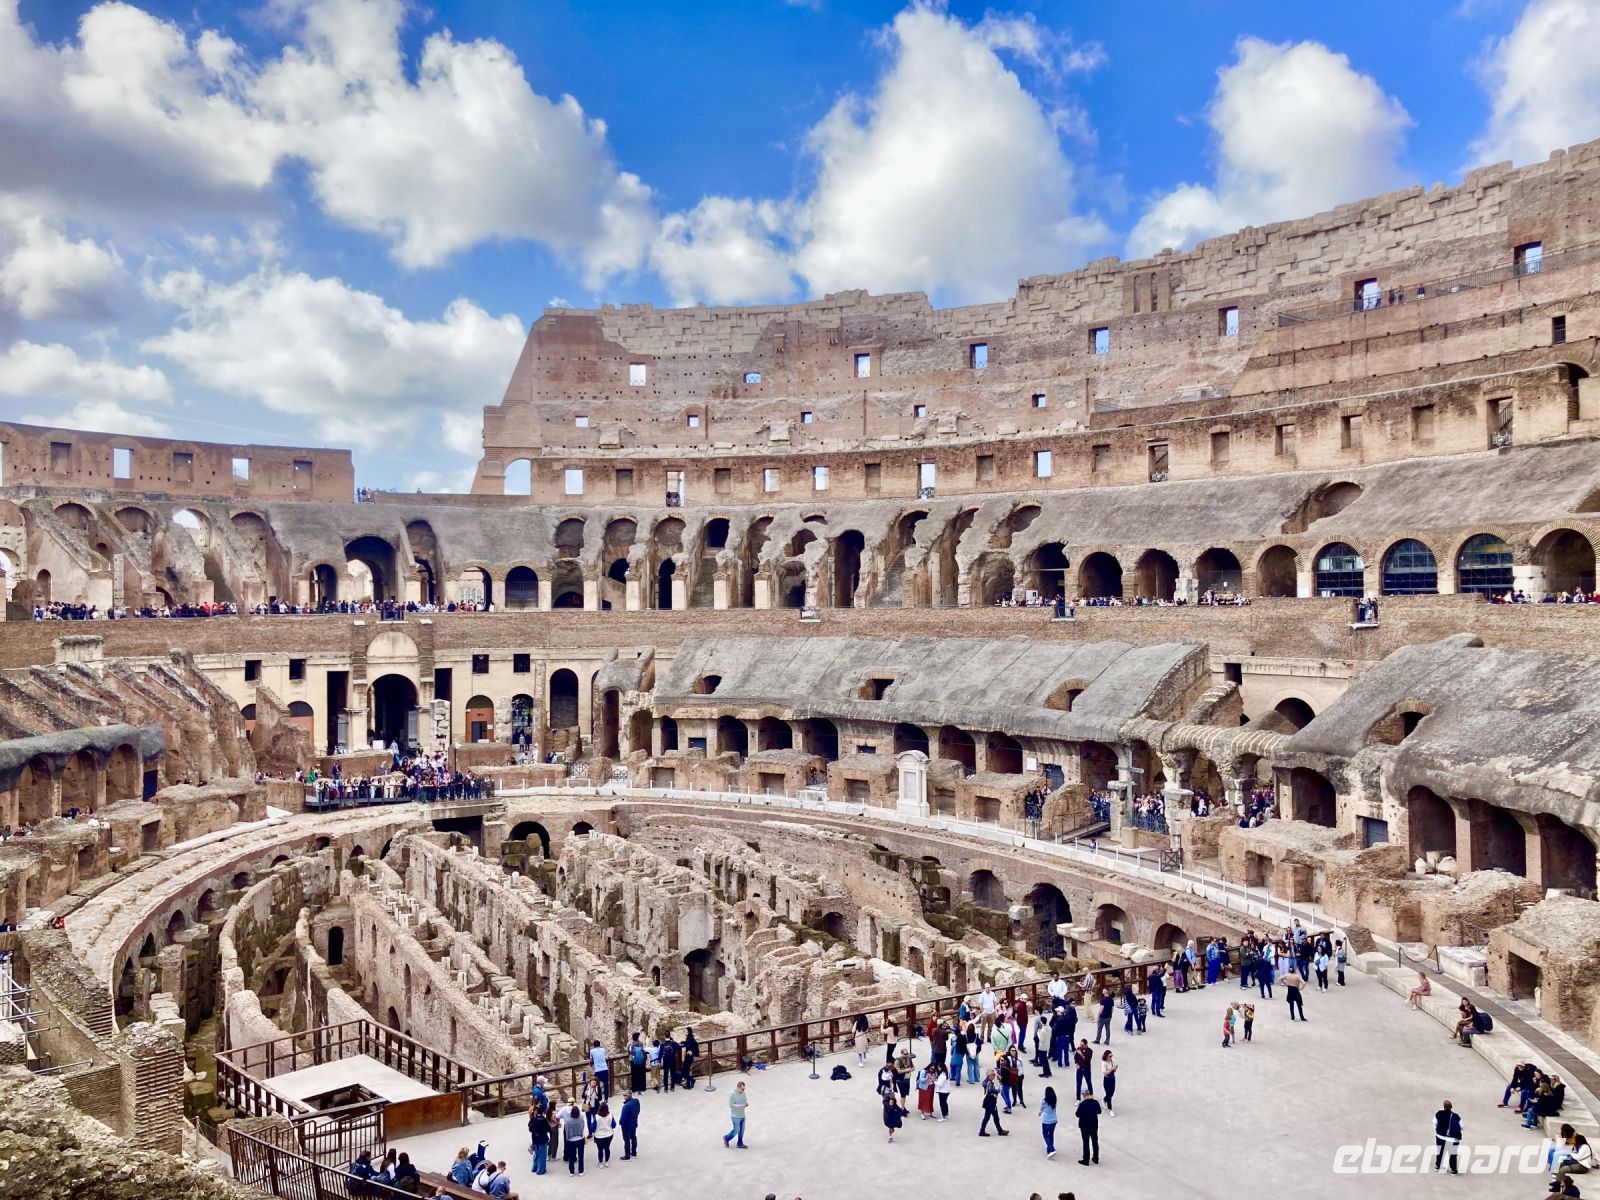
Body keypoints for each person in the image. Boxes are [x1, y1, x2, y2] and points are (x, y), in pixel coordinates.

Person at [1433, 1100, 1462, 1174]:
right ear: (1451, 1107)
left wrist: (1437, 1132)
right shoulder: (1456, 1116)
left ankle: (1437, 1166)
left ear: (1444, 1106)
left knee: (1440, 1152)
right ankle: (1453, 1170)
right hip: (1453, 1139)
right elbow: (1462, 1126)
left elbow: (1434, 1124)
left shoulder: (1439, 1113)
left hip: (1440, 1137)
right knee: (1452, 1154)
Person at [1075, 1092, 1102, 1165]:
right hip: (1094, 1125)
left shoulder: (1082, 1104)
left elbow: (1077, 1114)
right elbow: (1099, 1111)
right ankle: (1096, 1158)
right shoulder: (1095, 1102)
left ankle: (1086, 1159)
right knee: (1095, 1141)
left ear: (1084, 1095)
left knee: (1086, 1142)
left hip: (1084, 1126)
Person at [979, 1070, 1008, 1136]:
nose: (994, 1076)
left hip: (990, 1102)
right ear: (989, 1075)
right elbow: (990, 1090)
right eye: (993, 1075)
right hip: (990, 1102)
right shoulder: (989, 1082)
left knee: (995, 1117)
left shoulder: (986, 1081)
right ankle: (982, 1131)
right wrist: (997, 1090)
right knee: (988, 1117)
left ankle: (999, 1130)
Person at [562, 1102, 587, 1175]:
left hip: (571, 1140)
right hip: (580, 1138)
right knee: (581, 1156)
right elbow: (583, 1127)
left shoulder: (568, 1121)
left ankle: (571, 1171)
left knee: (571, 1156)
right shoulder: (581, 1119)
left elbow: (566, 1131)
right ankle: (581, 1171)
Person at [723, 1080, 749, 1148]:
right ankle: (726, 1138)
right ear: (738, 1087)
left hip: (742, 1115)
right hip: (735, 1116)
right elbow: (731, 1105)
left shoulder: (743, 1093)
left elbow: (745, 1099)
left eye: (744, 1089)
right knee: (736, 1130)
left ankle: (740, 1143)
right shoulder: (733, 1095)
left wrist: (746, 1103)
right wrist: (741, 1106)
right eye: (742, 1089)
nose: (743, 1090)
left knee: (742, 1130)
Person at [590, 1101, 616, 1167]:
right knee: (607, 1148)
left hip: (599, 1136)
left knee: (600, 1149)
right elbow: (614, 1125)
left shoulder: (596, 1117)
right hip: (608, 1135)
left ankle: (600, 1163)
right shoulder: (610, 1116)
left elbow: (593, 1128)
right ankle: (606, 1162)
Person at [619, 1090, 640, 1160]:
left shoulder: (626, 1106)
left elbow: (623, 1118)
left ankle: (627, 1156)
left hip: (627, 1126)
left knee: (626, 1140)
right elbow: (638, 1111)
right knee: (633, 1137)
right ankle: (634, 1153)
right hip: (634, 1123)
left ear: (628, 1096)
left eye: (624, 1095)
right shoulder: (636, 1101)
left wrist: (621, 1122)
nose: (623, 1097)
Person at [529, 1105, 550, 1175]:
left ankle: (534, 1168)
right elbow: (548, 1129)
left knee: (536, 1154)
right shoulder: (543, 1120)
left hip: (535, 1139)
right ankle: (540, 1170)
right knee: (542, 1155)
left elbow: (530, 1129)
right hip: (542, 1139)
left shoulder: (534, 1119)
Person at [1040, 1086, 1059, 1159]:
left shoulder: (1044, 1101)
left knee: (1045, 1134)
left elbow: (1041, 1109)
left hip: (1046, 1121)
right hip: (1054, 1120)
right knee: (1051, 1134)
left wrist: (1040, 1113)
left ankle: (1052, 1149)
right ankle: (1049, 1151)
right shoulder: (1054, 1100)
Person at [1101, 1051, 1117, 1116]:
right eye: (1110, 1056)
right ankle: (1110, 1109)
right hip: (1107, 1080)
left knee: (1112, 1092)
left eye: (1111, 1056)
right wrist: (1111, 1069)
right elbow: (1105, 1073)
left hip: (1112, 1079)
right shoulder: (1104, 1063)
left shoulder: (1112, 1061)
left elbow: (1114, 1071)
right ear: (1106, 1056)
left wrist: (1115, 1068)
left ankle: (1104, 1100)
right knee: (1109, 1094)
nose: (1111, 1057)